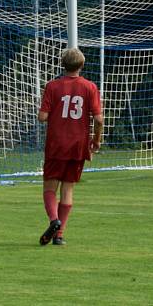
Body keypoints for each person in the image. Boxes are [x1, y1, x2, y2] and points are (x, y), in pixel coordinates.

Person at [37, 47, 104, 246]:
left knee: (50, 188)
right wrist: (96, 140)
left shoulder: (52, 86)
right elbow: (99, 119)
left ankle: (53, 220)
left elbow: (42, 117)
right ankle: (59, 235)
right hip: (78, 145)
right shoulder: (90, 87)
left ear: (62, 64)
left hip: (56, 144)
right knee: (68, 189)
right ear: (82, 66)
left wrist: (49, 111)